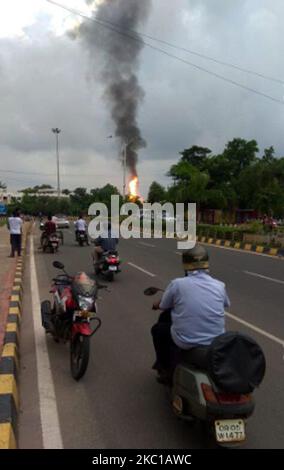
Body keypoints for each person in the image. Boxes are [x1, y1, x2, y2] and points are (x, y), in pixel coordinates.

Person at [151, 244, 230, 383]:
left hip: (187, 342)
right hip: (217, 343)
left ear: (186, 265)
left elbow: (163, 305)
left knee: (158, 330)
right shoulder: (220, 285)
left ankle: (165, 369)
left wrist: (156, 304)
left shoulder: (178, 284)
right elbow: (226, 304)